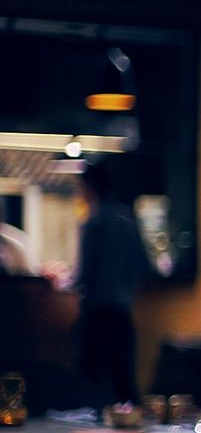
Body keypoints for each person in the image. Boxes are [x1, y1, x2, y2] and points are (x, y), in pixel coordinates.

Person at [72, 162, 150, 406]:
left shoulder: (94, 223)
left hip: (97, 313)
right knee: (124, 380)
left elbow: (84, 275)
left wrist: (66, 282)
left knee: (89, 381)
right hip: (123, 312)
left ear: (91, 187)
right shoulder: (126, 220)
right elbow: (145, 266)